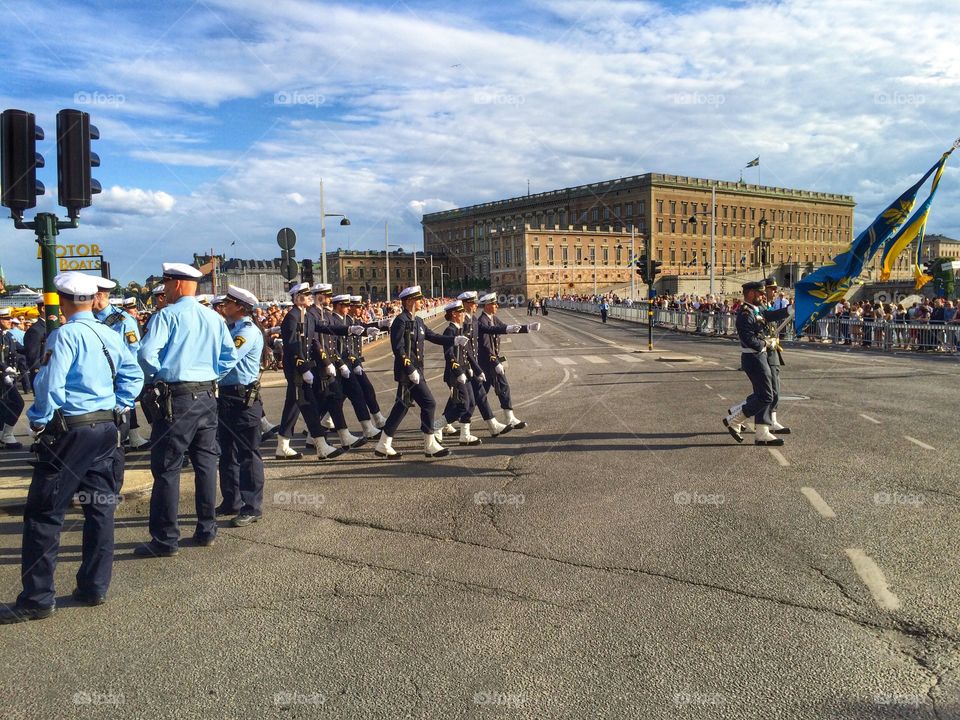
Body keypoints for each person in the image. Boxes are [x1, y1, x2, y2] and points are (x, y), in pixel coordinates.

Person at [0, 273, 143, 623]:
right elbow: (134, 375)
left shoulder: (64, 335)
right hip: (106, 427)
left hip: (71, 430)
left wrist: (38, 419)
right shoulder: (109, 333)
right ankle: (94, 586)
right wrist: (119, 405)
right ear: (93, 300)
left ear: (62, 302)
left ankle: (37, 597)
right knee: (100, 507)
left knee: (45, 512)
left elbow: (50, 384)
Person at [134, 263, 238, 558]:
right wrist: (211, 374)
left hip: (177, 398)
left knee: (167, 468)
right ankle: (206, 529)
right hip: (206, 394)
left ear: (178, 284)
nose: (164, 289)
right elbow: (230, 356)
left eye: (166, 283)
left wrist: (158, 375)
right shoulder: (213, 317)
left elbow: (146, 354)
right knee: (205, 464)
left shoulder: (166, 315)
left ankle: (166, 539)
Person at [374, 285, 468, 459]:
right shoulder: (400, 321)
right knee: (429, 403)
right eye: (418, 299)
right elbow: (398, 348)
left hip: (418, 371)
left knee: (401, 407)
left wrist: (454, 339)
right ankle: (429, 444)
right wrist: (410, 369)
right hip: (408, 373)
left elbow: (433, 337)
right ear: (409, 301)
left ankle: (383, 444)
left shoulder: (418, 321)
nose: (422, 302)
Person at [274, 283, 347, 461]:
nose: (309, 298)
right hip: (296, 371)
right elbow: (292, 346)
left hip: (303, 369)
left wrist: (350, 330)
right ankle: (320, 446)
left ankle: (283, 446)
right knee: (308, 406)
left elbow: (324, 328)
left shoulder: (305, 315)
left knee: (295, 407)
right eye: (306, 295)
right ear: (297, 297)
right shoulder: (292, 317)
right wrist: (303, 368)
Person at [215, 286, 266, 527]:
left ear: (240, 307)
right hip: (226, 396)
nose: (224, 306)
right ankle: (231, 500)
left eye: (228, 303)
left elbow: (228, 358)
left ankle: (252, 506)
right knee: (227, 452)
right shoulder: (230, 328)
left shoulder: (246, 331)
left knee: (247, 454)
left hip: (243, 398)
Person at [723, 281, 784, 446]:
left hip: (759, 356)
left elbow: (770, 315)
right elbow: (748, 339)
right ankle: (735, 419)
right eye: (760, 293)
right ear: (751, 293)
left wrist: (789, 310)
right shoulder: (745, 313)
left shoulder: (756, 309)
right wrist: (766, 343)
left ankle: (760, 432)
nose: (763, 296)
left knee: (763, 394)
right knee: (766, 395)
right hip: (754, 358)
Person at [476, 292, 541, 430]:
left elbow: (505, 328)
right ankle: (453, 419)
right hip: (486, 364)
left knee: (499, 388)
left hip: (491, 362)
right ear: (487, 306)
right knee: (478, 395)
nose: (497, 306)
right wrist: (495, 362)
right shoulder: (482, 321)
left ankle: (509, 417)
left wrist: (527, 328)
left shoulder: (493, 318)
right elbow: (486, 346)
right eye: (494, 304)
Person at [456, 291, 511, 437]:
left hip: (472, 366)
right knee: (468, 400)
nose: (476, 305)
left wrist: (516, 329)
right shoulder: (463, 321)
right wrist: (477, 368)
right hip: (465, 367)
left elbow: (490, 329)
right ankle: (440, 426)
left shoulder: (473, 319)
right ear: (466, 304)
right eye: (473, 303)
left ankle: (489, 427)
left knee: (476, 397)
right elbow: (465, 348)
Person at [438, 300, 482, 445]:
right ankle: (436, 426)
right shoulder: (449, 331)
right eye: (461, 312)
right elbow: (449, 355)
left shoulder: (460, 330)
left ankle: (465, 435)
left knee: (471, 403)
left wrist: (475, 369)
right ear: (454, 314)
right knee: (463, 404)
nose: (463, 314)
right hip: (455, 375)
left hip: (465, 372)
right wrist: (458, 372)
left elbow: (466, 353)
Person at [348, 295, 389, 428]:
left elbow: (364, 327)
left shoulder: (354, 319)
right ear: (350, 307)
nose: (361, 310)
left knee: (362, 391)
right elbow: (344, 344)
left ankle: (378, 418)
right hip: (348, 363)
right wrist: (354, 362)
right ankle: (375, 421)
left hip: (354, 361)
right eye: (358, 307)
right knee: (360, 392)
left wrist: (380, 324)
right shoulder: (346, 321)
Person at [0, 308, 25, 449]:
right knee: (17, 403)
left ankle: (4, 434)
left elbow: (21, 349)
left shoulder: (8, 335)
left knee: (6, 405)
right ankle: (7, 435)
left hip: (7, 377)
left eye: (10, 319)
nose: (9, 321)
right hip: (2, 376)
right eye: (5, 319)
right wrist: (4, 369)